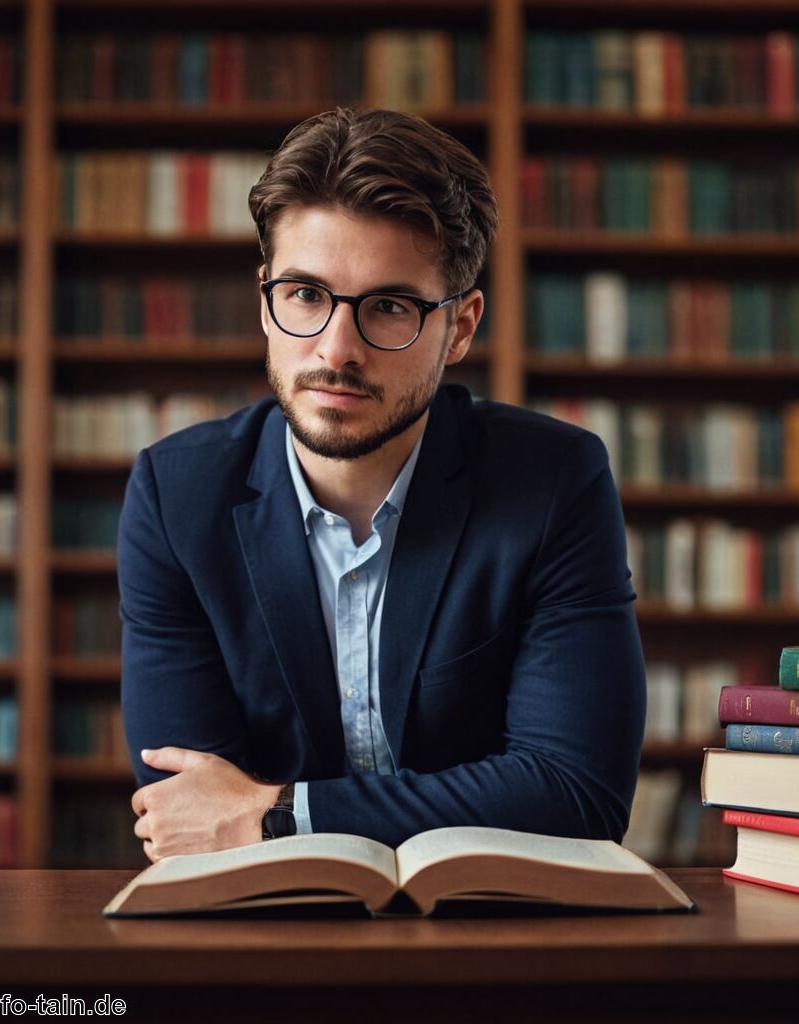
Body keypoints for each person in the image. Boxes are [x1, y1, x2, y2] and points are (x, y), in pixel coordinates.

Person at [121, 106, 646, 864]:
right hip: (260, 941)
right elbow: (189, 812)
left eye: (390, 307)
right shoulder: (176, 498)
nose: (337, 350)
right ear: (264, 296)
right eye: (304, 294)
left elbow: (576, 793)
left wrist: (279, 813)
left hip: (499, 941)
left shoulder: (555, 482)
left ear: (460, 328)